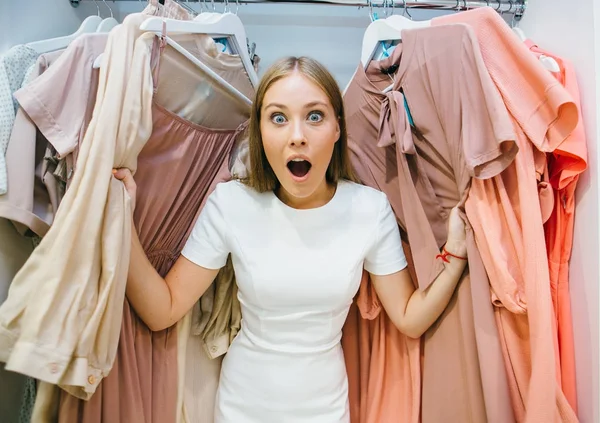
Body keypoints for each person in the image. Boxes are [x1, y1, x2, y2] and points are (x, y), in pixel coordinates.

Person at [114, 56, 467, 422]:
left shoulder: (369, 210)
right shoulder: (232, 204)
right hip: (241, 410)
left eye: (314, 116)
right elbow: (162, 309)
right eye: (278, 118)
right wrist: (122, 221)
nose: (297, 135)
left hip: (326, 412)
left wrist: (456, 254)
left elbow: (409, 317)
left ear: (337, 129)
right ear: (260, 131)